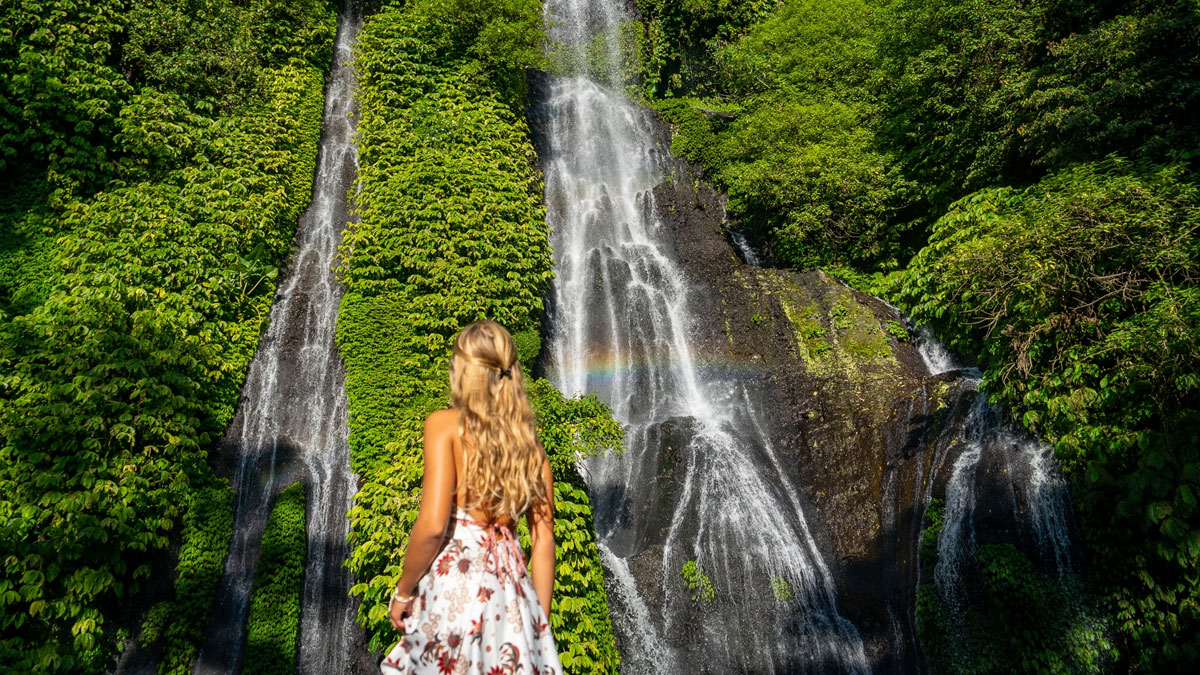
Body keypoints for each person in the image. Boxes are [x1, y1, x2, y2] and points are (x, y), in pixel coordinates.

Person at [380, 320, 561, 675]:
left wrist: (403, 591)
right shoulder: (532, 449)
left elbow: (433, 526)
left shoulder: (444, 426)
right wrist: (538, 622)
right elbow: (543, 540)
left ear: (463, 370)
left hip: (457, 585)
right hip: (512, 596)